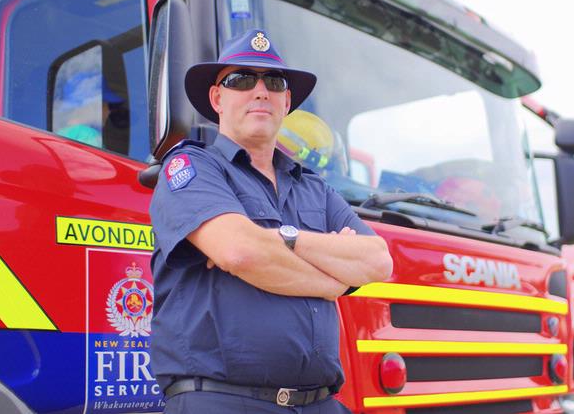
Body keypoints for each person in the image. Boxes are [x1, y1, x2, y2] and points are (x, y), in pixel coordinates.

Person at [149, 29, 393, 413]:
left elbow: (378, 261)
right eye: (241, 80)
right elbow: (239, 251)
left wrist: (286, 238)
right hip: (221, 401)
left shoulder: (315, 188)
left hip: (320, 403)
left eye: (274, 82)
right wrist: (335, 280)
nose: (260, 90)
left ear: (287, 100)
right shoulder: (192, 168)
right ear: (217, 98)